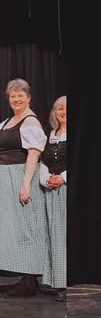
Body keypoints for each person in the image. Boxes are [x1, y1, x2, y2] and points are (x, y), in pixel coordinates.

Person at [0, 78, 47, 299]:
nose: (16, 99)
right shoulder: (7, 121)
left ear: (28, 97)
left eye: (20, 95)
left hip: (20, 175)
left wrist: (26, 183)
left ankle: (30, 282)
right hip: (5, 177)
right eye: (12, 96)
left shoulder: (30, 122)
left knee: (27, 228)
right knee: (13, 229)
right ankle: (23, 278)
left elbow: (34, 153)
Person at [40, 95, 67, 300]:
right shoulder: (52, 134)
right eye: (60, 109)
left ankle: (66, 284)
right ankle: (56, 281)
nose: (63, 112)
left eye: (67, 109)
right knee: (53, 236)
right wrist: (47, 178)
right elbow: (44, 161)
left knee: (65, 237)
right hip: (51, 192)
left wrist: (63, 178)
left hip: (66, 190)